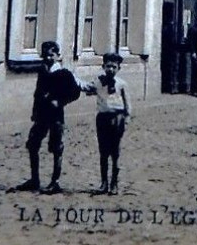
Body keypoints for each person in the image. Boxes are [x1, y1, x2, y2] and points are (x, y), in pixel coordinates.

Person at [16, 40, 83, 194]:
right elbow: (37, 93)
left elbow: (75, 93)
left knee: (56, 146)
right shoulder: (43, 71)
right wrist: (34, 111)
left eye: (51, 55)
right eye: (45, 55)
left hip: (56, 116)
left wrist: (59, 101)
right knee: (33, 144)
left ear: (58, 56)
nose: (48, 58)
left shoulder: (63, 73)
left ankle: (55, 181)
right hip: (41, 115)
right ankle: (34, 179)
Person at [89, 52, 131, 195]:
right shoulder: (98, 82)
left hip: (117, 118)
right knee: (103, 152)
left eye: (114, 67)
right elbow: (87, 89)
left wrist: (127, 119)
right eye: (108, 66)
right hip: (102, 118)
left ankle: (114, 183)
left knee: (115, 153)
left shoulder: (122, 84)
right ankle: (103, 183)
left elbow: (127, 104)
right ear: (103, 66)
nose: (111, 70)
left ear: (119, 68)